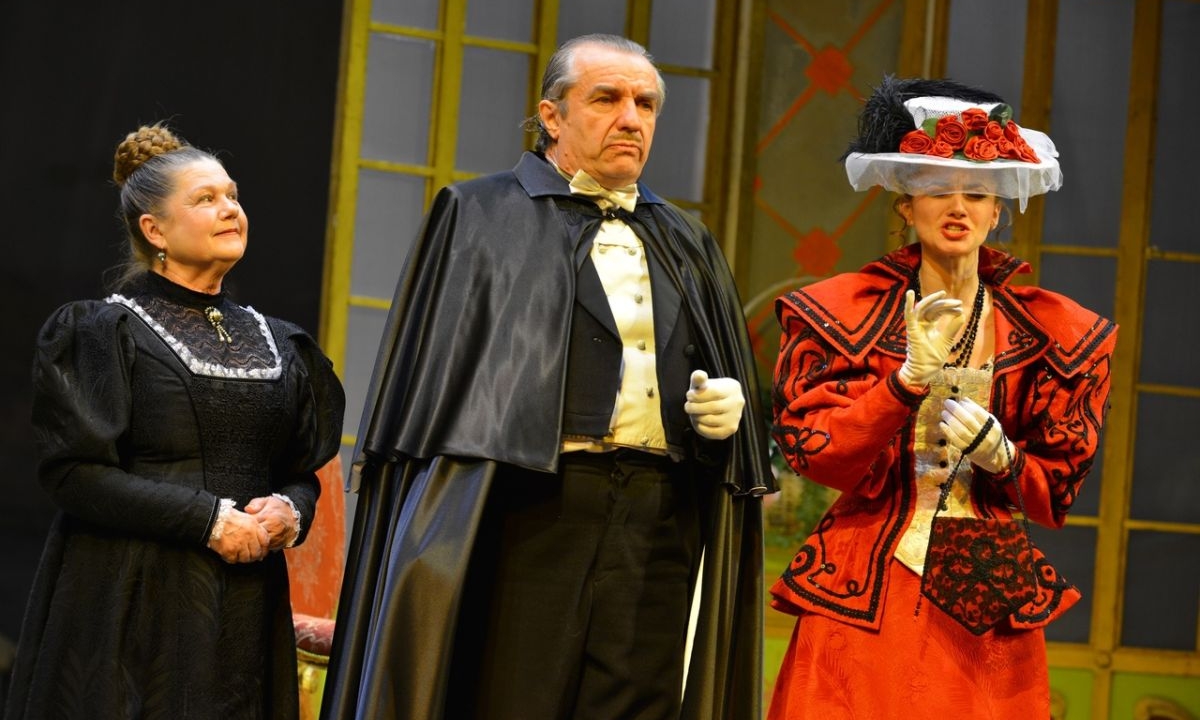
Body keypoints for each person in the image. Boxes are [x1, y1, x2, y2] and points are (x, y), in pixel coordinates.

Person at [321, 33, 773, 720]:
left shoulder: (685, 239)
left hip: (658, 514)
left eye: (646, 104)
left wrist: (725, 415)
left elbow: (711, 364)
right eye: (607, 99)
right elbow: (440, 385)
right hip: (530, 505)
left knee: (638, 703)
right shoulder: (481, 215)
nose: (631, 118)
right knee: (514, 696)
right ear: (552, 116)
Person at [766, 76, 1118, 718]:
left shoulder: (1057, 335)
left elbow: (1054, 494)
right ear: (905, 206)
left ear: (997, 211)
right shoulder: (842, 314)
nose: (958, 208)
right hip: (865, 585)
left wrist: (1004, 457)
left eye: (977, 194)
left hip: (985, 602)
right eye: (936, 191)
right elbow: (816, 457)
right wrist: (902, 384)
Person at [4, 124, 345, 719]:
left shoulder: (280, 341)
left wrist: (291, 509)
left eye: (233, 195)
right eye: (205, 199)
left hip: (243, 608)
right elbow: (74, 476)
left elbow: (299, 470)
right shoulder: (104, 331)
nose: (230, 209)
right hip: (134, 600)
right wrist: (208, 520)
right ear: (154, 230)